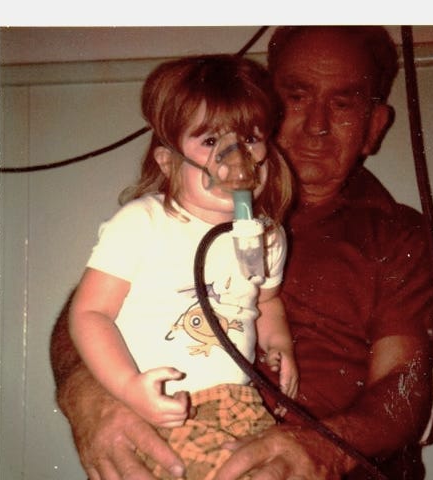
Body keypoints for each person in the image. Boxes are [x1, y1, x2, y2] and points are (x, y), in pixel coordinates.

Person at [50, 26, 433, 480]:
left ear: (373, 127)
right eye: (296, 96)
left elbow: (406, 388)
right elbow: (88, 313)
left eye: (343, 103)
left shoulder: (398, 236)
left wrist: (325, 449)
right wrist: (88, 397)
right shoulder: (161, 216)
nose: (316, 124)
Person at [64, 54, 298, 480]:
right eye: (210, 142)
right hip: (166, 407)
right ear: (168, 161)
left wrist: (279, 344)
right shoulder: (144, 223)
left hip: (240, 405)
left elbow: (267, 300)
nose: (236, 156)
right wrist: (127, 388)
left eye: (249, 137)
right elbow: (89, 314)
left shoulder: (267, 236)